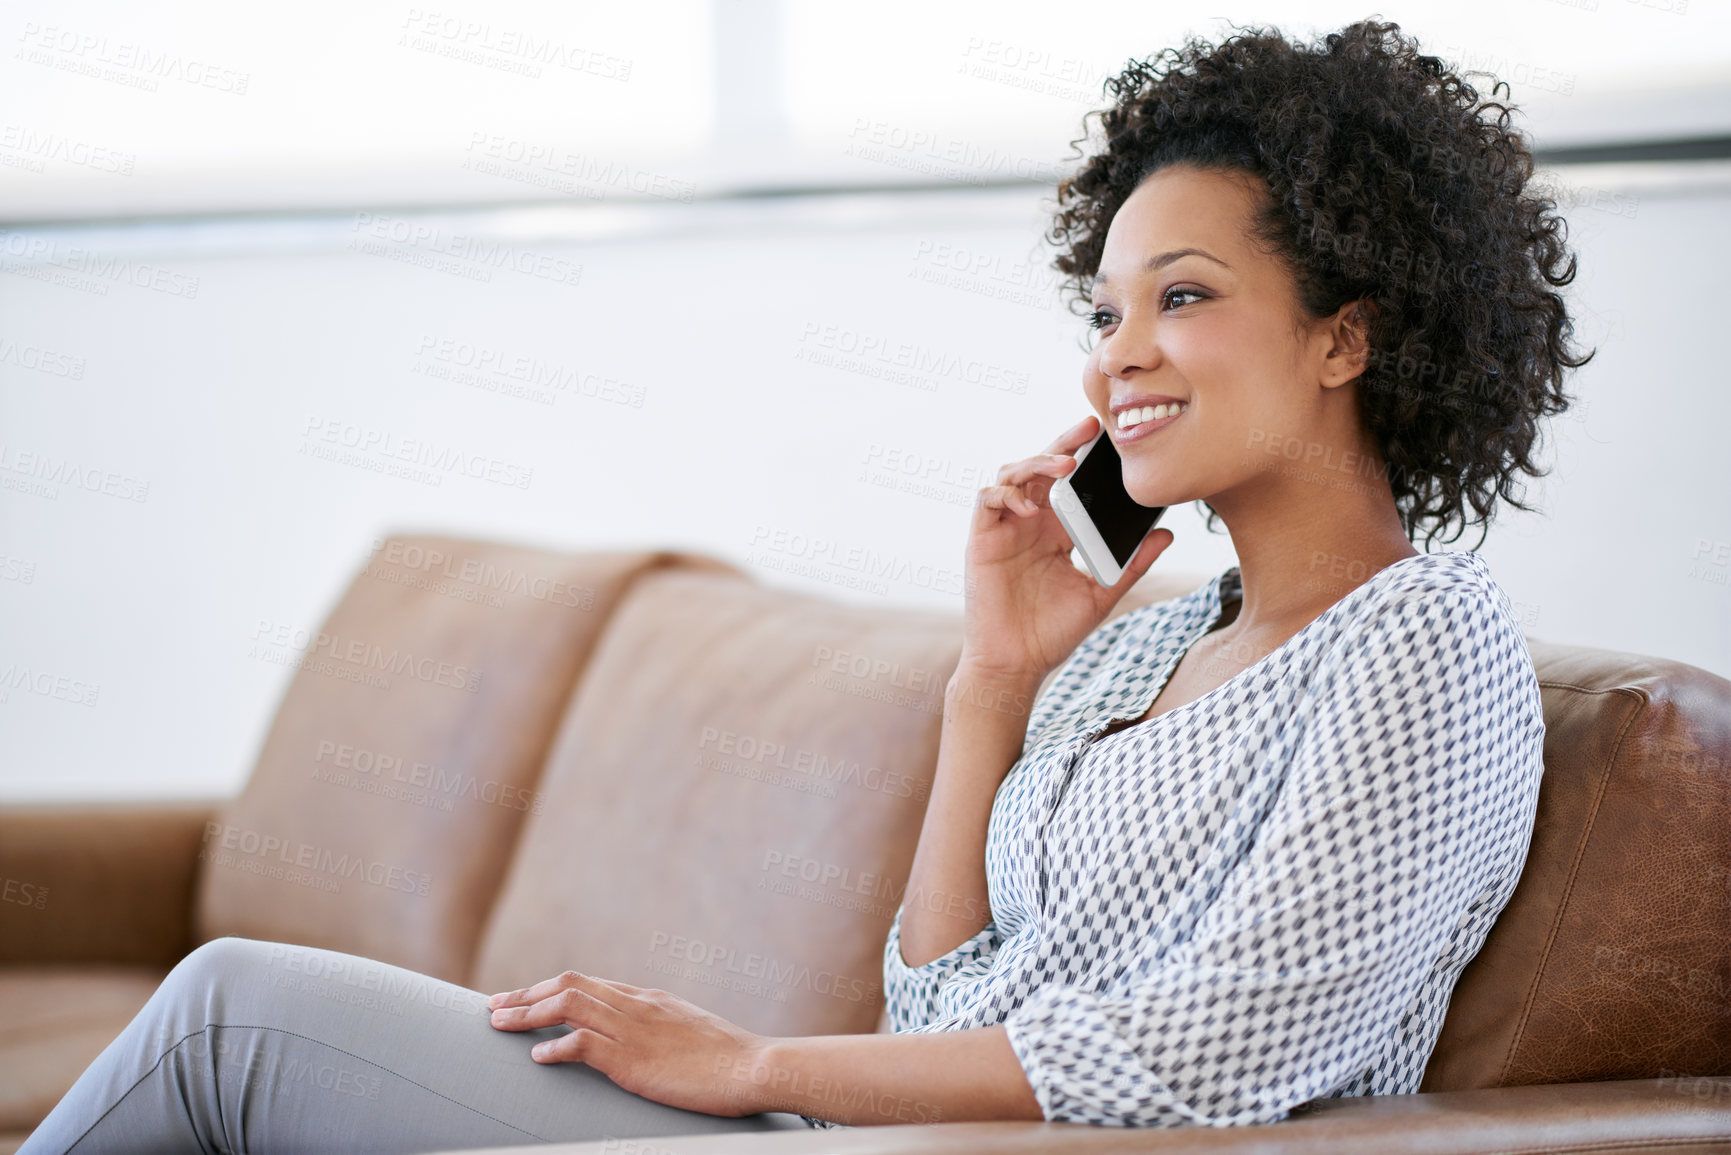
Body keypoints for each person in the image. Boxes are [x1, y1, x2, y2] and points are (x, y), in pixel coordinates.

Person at [19, 17, 1588, 1152]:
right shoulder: (1137, 647)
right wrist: (994, 683)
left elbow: (1228, 1049)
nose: (1117, 353)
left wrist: (757, 1060)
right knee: (229, 1012)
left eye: (1182, 297)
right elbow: (939, 1011)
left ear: (1348, 334)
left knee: (230, 1021)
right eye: (1105, 308)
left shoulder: (1423, 637)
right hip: (873, 1142)